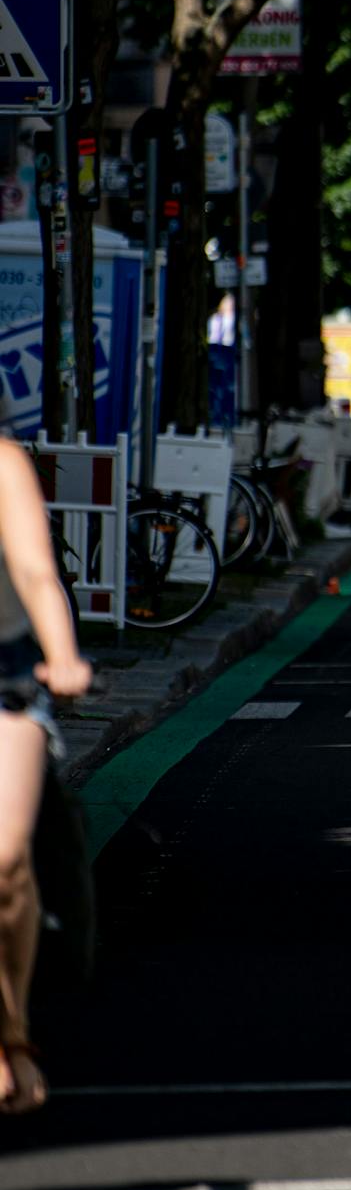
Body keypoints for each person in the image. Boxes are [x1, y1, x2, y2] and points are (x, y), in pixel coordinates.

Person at [0, 435, 93, 1112]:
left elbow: (35, 571)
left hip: (4, 676)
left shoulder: (4, 461)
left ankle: (13, 1032)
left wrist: (63, 656)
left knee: (4, 859)